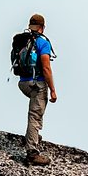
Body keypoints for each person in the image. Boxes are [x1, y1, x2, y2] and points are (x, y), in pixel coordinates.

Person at [14, 14, 58, 165]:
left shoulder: (23, 40)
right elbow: (46, 68)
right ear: (42, 27)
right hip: (36, 84)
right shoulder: (41, 42)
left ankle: (33, 136)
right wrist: (52, 89)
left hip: (23, 83)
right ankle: (32, 153)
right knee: (35, 115)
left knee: (34, 111)